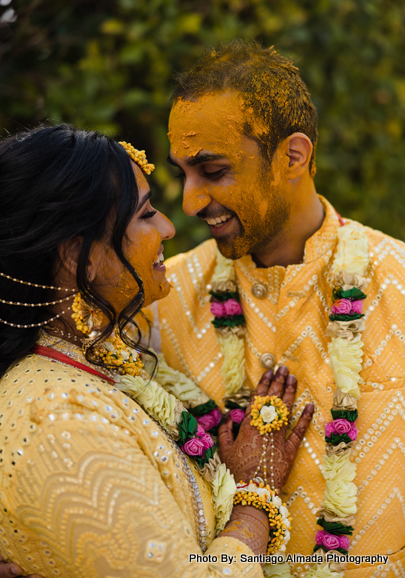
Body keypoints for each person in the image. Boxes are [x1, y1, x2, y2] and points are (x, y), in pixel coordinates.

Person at [0, 125, 314, 578]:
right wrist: (254, 497)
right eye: (146, 214)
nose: (169, 227)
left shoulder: (92, 364)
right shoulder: (57, 417)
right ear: (77, 257)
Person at [155, 41, 405, 577]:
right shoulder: (160, 300)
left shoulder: (399, 281)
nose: (190, 201)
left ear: (292, 156)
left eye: (213, 171)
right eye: (183, 174)